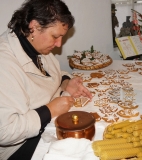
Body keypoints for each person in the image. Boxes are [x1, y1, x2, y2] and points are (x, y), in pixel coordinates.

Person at [0, 0, 92, 159]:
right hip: (18, 147)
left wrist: (66, 83)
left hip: (44, 126)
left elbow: (53, 73)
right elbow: (6, 131)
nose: (58, 44)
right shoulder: (4, 63)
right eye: (55, 36)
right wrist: (50, 111)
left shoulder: (34, 44)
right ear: (34, 27)